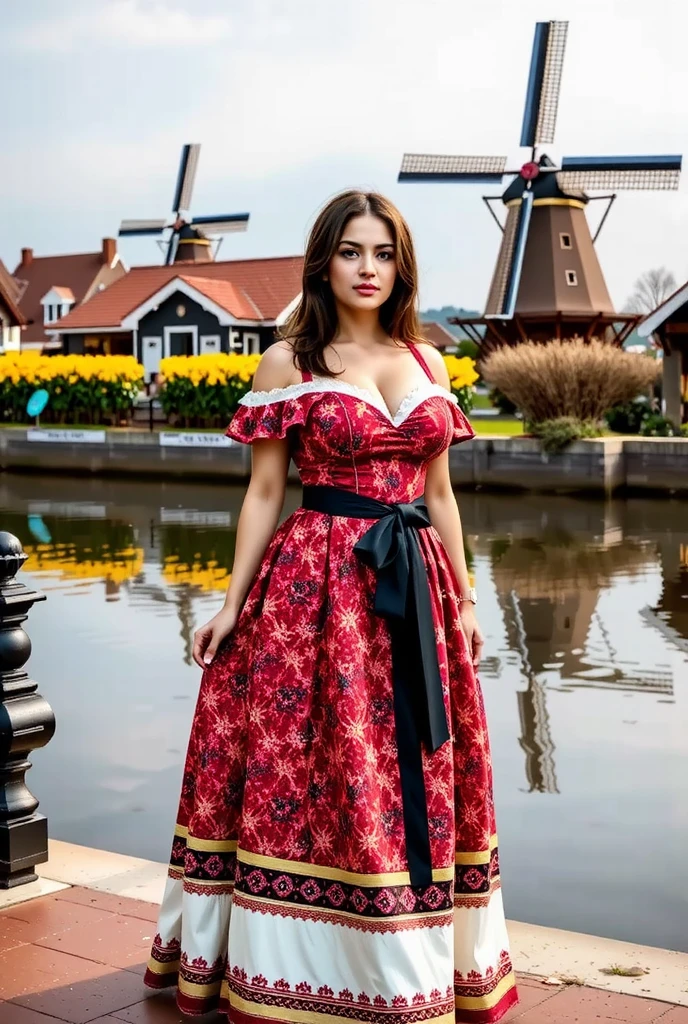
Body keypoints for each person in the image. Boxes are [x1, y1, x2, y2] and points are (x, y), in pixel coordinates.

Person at [144, 190, 518, 1022]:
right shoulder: (290, 362)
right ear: (324, 261)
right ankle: (312, 967)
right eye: (352, 252)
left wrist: (463, 599)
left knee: (407, 767)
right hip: (316, 586)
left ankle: (412, 961)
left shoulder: (429, 361)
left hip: (414, 583)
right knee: (325, 769)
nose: (368, 269)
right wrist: (230, 600)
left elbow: (442, 495)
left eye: (383, 254)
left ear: (402, 265)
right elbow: (266, 490)